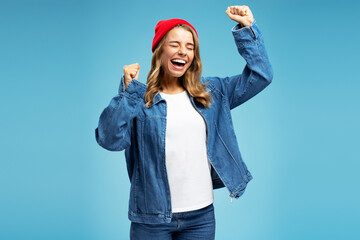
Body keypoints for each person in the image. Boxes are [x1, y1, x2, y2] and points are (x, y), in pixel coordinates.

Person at [95, 5, 273, 240]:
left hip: (201, 217)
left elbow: (261, 75)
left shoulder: (212, 93)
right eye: (175, 44)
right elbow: (109, 140)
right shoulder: (140, 99)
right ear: (159, 50)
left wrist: (246, 29)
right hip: (152, 219)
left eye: (190, 47)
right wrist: (127, 94)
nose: (183, 52)